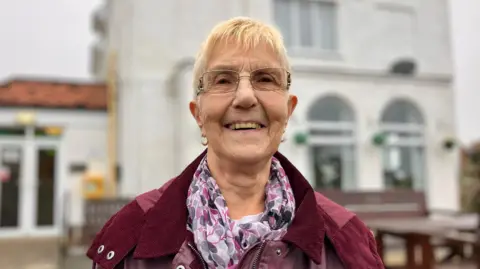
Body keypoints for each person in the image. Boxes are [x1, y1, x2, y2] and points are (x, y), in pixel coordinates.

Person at [87, 17, 384, 269]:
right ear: (198, 114)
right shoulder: (129, 237)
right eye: (223, 80)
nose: (245, 97)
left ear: (288, 111)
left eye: (266, 78)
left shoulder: (347, 240)